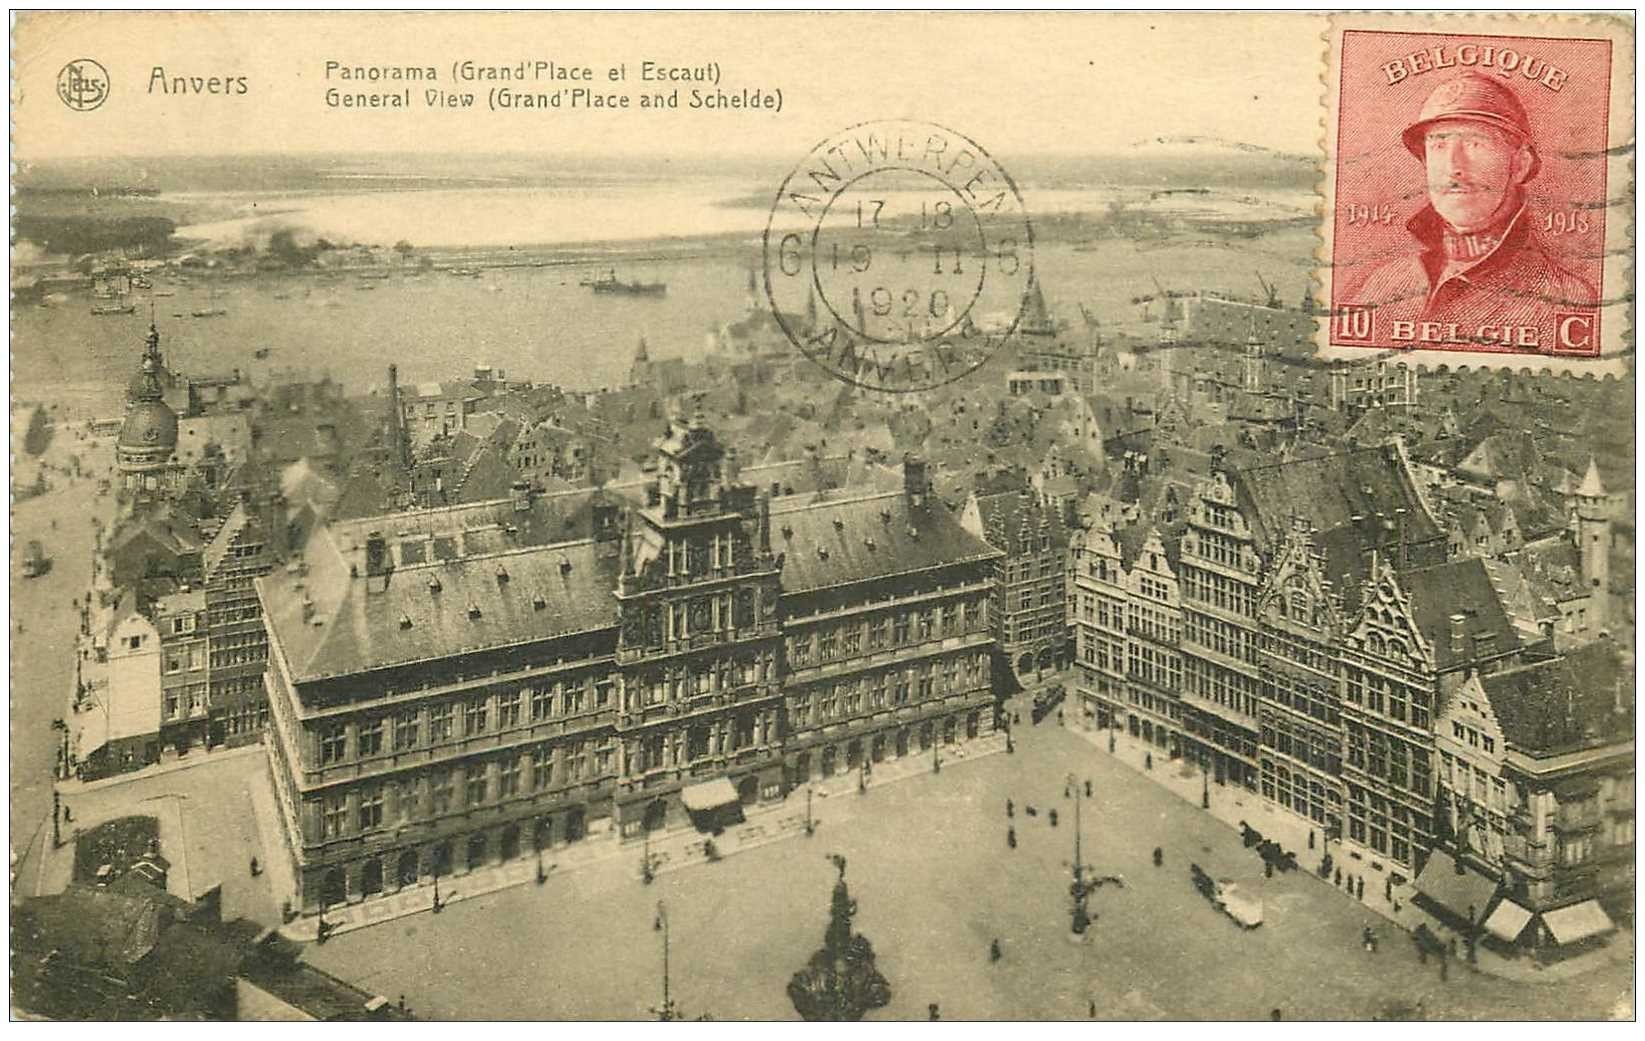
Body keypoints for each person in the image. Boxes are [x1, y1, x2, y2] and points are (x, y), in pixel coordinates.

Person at [1342, 72, 1598, 352]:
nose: (1454, 166)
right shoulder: (1384, 286)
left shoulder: (1567, 299)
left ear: (1520, 165)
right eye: (1439, 146)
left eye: (1475, 144)